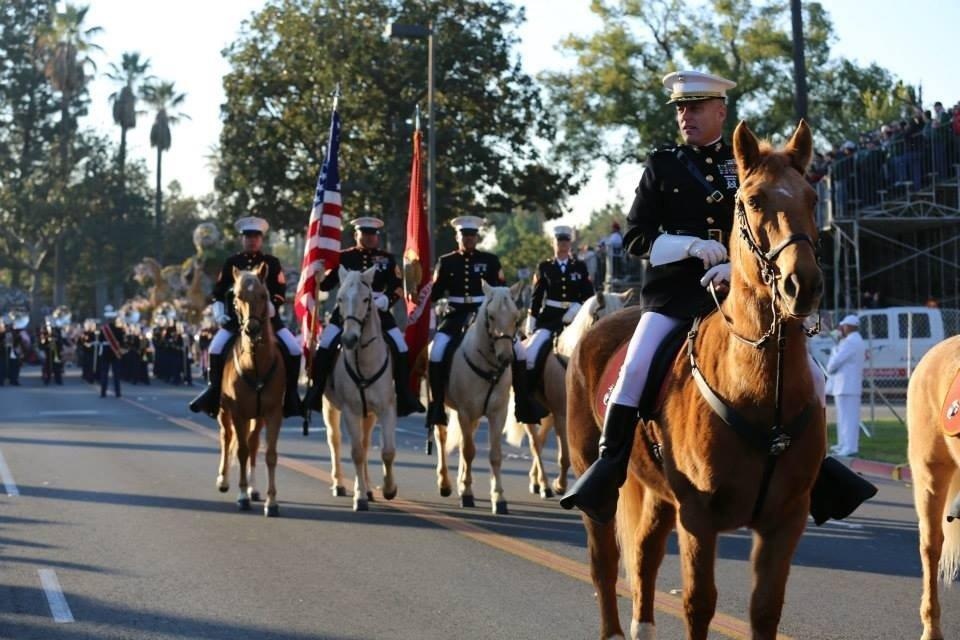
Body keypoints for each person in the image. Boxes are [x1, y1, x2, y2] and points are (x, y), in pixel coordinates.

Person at [561, 69, 874, 524]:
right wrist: (689, 247)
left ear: (720, 112)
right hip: (674, 298)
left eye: (696, 107)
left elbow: (767, 225)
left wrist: (737, 264)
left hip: (740, 297)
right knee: (633, 368)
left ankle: (817, 468)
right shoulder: (663, 164)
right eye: (681, 109)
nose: (686, 116)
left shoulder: (747, 166)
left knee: (813, 374)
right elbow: (636, 237)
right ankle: (609, 465)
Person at [425, 216, 545, 428]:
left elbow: (501, 290)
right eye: (464, 236)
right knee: (436, 351)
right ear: (458, 237)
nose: (468, 240)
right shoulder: (446, 261)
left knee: (520, 351)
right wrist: (425, 290)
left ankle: (522, 402)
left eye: (471, 236)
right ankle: (436, 406)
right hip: (455, 314)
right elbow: (434, 293)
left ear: (477, 238)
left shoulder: (490, 261)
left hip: (488, 315)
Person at [303, 216, 425, 417]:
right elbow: (325, 285)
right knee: (324, 346)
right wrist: (318, 273)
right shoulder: (343, 257)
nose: (369, 238)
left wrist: (385, 300)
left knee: (401, 348)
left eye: (373, 234)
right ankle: (316, 392)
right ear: (356, 235)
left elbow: (397, 287)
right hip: (347, 312)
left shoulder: (386, 259)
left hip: (378, 310)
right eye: (365, 234)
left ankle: (404, 395)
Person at [189, 216, 304, 418]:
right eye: (248, 236)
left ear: (261, 239)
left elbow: (279, 290)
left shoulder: (271, 263)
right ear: (242, 239)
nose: (252, 240)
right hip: (236, 321)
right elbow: (218, 291)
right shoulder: (232, 263)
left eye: (256, 236)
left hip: (268, 320)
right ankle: (213, 393)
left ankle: (292, 396)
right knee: (216, 349)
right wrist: (219, 311)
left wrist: (272, 305)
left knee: (294, 349)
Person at [524, 225, 594, 382]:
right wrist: (532, 320)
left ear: (570, 243)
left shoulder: (580, 267)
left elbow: (589, 296)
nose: (563, 244)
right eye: (559, 240)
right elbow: (537, 296)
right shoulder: (545, 267)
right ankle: (529, 399)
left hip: (575, 319)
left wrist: (577, 307)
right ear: (553, 243)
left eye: (566, 240)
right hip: (549, 318)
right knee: (529, 355)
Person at [826, 315, 867, 457]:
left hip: (847, 385)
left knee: (848, 418)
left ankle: (849, 447)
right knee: (844, 417)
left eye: (843, 326)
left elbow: (833, 364)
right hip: (846, 386)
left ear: (849, 326)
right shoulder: (853, 341)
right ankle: (844, 444)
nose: (841, 329)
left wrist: (835, 349)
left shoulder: (851, 342)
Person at [98, 305, 125, 398]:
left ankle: (103, 392)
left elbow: (100, 340)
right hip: (115, 351)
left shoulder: (103, 329)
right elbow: (121, 342)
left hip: (105, 351)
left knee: (104, 373)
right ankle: (118, 392)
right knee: (116, 374)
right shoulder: (119, 329)